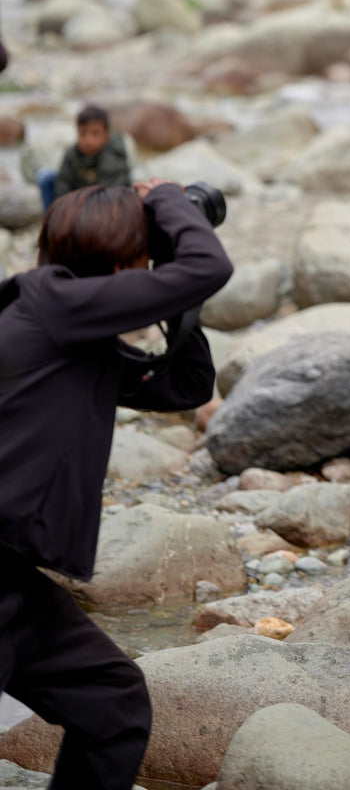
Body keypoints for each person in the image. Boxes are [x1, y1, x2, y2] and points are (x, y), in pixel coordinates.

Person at [0, 180, 232, 789]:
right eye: (142, 260)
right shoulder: (54, 308)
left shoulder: (71, 331)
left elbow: (184, 386)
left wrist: (171, 301)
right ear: (122, 264)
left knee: (112, 704)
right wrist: (166, 202)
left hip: (11, 581)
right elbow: (209, 264)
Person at [37, 106, 132, 213]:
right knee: (45, 176)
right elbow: (62, 185)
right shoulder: (72, 153)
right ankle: (49, 219)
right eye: (83, 134)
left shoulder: (115, 154)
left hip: (105, 207)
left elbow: (111, 194)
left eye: (95, 134)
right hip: (78, 200)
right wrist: (63, 208)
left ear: (106, 134)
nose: (88, 140)